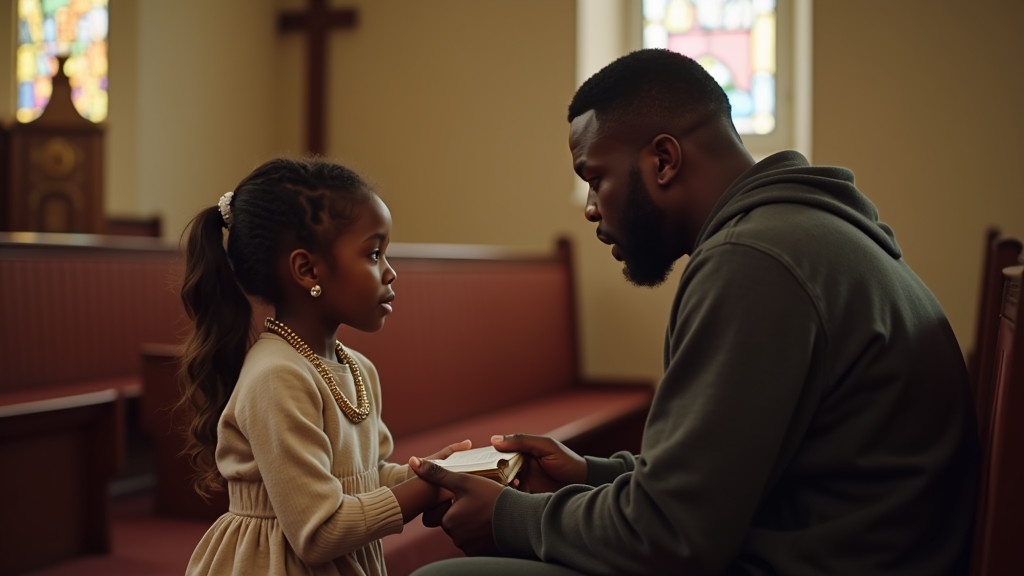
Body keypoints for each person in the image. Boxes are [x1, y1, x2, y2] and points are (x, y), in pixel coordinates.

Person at [406, 48, 980, 575]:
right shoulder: (801, 235)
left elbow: (669, 539)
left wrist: (508, 518)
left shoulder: (752, 261)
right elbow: (736, 473)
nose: (589, 209)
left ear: (663, 159)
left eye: (595, 178)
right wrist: (589, 474)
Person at [178, 157, 470, 575]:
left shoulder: (357, 368)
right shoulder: (277, 376)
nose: (390, 273)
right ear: (307, 269)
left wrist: (432, 473)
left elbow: (365, 478)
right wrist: (424, 492)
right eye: (373, 254)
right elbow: (319, 533)